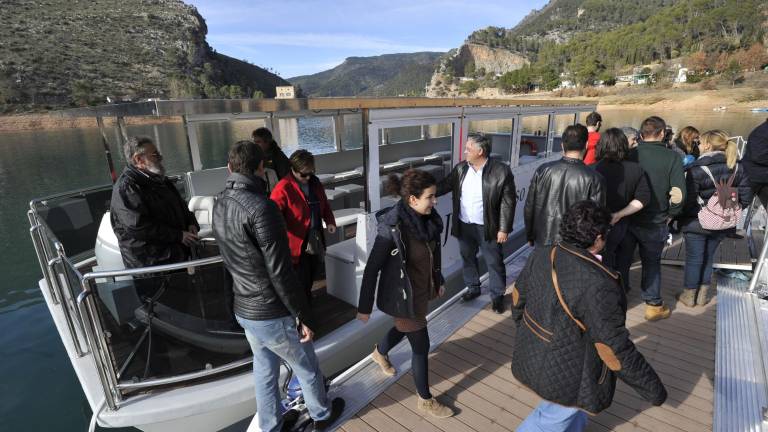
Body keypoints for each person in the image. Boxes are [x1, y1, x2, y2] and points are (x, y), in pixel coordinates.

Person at [212, 141, 344, 432]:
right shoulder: (264, 208)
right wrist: (304, 316)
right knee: (306, 365)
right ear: (262, 168)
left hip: (244, 308)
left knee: (264, 370)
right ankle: (322, 415)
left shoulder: (219, 203)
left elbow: (228, 261)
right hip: (270, 310)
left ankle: (271, 425)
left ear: (229, 168)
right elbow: (281, 271)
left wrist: (230, 306)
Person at [511, 201, 667, 432]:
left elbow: (517, 300)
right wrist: (654, 389)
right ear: (598, 239)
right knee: (549, 420)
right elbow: (614, 347)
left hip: (534, 349)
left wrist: (533, 335)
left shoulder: (544, 253)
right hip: (570, 370)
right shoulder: (598, 283)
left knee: (565, 414)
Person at [357, 169, 454, 418]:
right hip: (403, 295)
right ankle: (425, 400)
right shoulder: (391, 228)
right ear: (412, 199)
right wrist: (364, 307)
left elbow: (434, 251)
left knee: (403, 328)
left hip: (421, 290)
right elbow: (372, 269)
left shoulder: (428, 220)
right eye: (430, 197)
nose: (435, 201)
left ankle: (379, 352)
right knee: (421, 347)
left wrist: (438, 277)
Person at [436, 132, 516, 313]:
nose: (465, 151)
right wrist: (422, 190)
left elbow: (508, 202)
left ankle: (497, 297)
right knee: (467, 258)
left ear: (480, 151)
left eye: (468, 148)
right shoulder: (460, 169)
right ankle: (473, 288)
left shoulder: (501, 171)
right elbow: (443, 186)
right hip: (464, 224)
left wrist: (503, 228)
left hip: (488, 227)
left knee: (494, 261)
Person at [618, 116, 686, 321]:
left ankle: (620, 298)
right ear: (662, 133)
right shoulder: (672, 157)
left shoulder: (629, 154)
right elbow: (678, 193)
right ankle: (653, 305)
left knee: (623, 260)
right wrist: (672, 214)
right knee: (652, 262)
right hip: (656, 219)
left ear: (640, 134)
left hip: (627, 217)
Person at [677, 130, 752, 307]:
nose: (699, 146)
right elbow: (746, 197)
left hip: (697, 221)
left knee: (695, 258)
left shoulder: (696, 169)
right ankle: (703, 295)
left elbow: (687, 201)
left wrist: (685, 217)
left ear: (708, 146)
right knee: (709, 257)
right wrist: (726, 211)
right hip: (723, 222)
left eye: (701, 143)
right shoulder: (738, 167)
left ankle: (689, 295)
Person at [110, 136, 199, 269]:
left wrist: (190, 222)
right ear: (138, 159)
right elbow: (138, 226)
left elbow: (180, 205)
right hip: (151, 263)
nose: (160, 158)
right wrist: (178, 236)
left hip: (173, 256)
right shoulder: (127, 188)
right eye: (155, 155)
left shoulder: (160, 180)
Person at [270, 149, 337, 304]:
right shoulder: (283, 187)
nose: (307, 178)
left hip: (315, 235)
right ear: (293, 169)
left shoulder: (315, 182)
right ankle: (303, 307)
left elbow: (324, 204)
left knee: (314, 269)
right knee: (301, 275)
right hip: (296, 241)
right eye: (303, 174)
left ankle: (306, 296)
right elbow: (273, 215)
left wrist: (330, 221)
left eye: (310, 173)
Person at [524, 124, 605, 247]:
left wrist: (530, 235)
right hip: (574, 245)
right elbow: (596, 218)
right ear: (586, 145)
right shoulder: (594, 178)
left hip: (543, 238)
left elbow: (529, 206)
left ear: (562, 145)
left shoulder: (543, 170)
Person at [593, 128, 652, 277]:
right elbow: (643, 198)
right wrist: (619, 215)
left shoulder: (593, 169)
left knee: (600, 263)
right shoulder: (636, 169)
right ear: (623, 145)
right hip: (623, 225)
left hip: (596, 225)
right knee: (622, 261)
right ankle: (622, 290)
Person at [743, 118, 768, 209]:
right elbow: (758, 156)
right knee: (735, 208)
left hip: (763, 176)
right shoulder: (761, 132)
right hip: (753, 177)